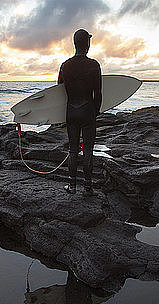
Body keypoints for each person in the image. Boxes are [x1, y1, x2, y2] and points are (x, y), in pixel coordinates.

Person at [57, 28, 102, 195]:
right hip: (88, 111)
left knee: (73, 150)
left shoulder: (65, 66)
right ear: (88, 44)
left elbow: (59, 89)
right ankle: (88, 187)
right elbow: (98, 93)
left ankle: (72, 186)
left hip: (71, 112)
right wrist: (95, 113)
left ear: (75, 44)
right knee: (88, 150)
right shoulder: (94, 65)